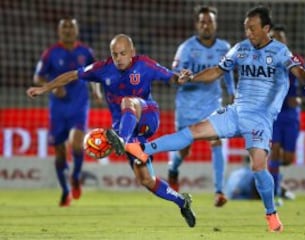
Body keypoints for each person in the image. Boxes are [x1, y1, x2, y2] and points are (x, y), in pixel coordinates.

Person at [117, 6, 305, 232]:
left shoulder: (280, 51)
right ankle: (143, 149)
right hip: (236, 112)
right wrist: (192, 78)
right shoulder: (240, 49)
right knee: (194, 131)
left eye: (253, 29)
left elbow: (298, 69)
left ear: (266, 29)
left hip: (260, 119)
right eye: (246, 29)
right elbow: (217, 71)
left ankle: (271, 214)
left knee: (258, 166)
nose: (249, 33)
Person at [27, 34, 196, 228]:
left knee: (128, 101)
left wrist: (181, 78)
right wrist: (45, 88)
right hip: (127, 129)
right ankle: (182, 202)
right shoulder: (102, 69)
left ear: (132, 52)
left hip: (147, 115)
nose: (119, 58)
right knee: (147, 180)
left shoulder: (144, 64)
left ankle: (121, 140)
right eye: (115, 54)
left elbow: (171, 77)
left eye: (123, 53)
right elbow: (72, 75)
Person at [169, 5, 235, 207]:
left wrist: (232, 93)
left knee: (216, 141)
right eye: (202, 22)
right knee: (183, 149)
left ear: (216, 25)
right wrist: (183, 77)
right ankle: (173, 169)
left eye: (210, 22)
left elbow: (229, 72)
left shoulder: (224, 47)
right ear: (197, 25)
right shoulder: (187, 48)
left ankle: (219, 191)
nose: (206, 25)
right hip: (187, 106)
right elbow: (174, 76)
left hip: (211, 105)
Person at [33, 18, 102, 207]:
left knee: (77, 144)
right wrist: (53, 88)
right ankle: (65, 191)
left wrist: (96, 91)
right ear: (58, 31)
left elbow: (95, 73)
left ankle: (76, 176)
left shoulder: (86, 52)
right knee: (60, 152)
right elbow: (37, 77)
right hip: (58, 108)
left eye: (71, 27)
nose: (68, 30)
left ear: (77, 30)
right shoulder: (51, 53)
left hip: (79, 105)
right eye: (64, 27)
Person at [267, 24, 305, 206]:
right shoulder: (264, 60)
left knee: (288, 158)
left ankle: (277, 180)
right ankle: (275, 194)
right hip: (273, 114)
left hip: (291, 114)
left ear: (285, 41)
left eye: (280, 38)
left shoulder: (296, 60)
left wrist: (300, 96)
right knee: (274, 151)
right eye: (273, 38)